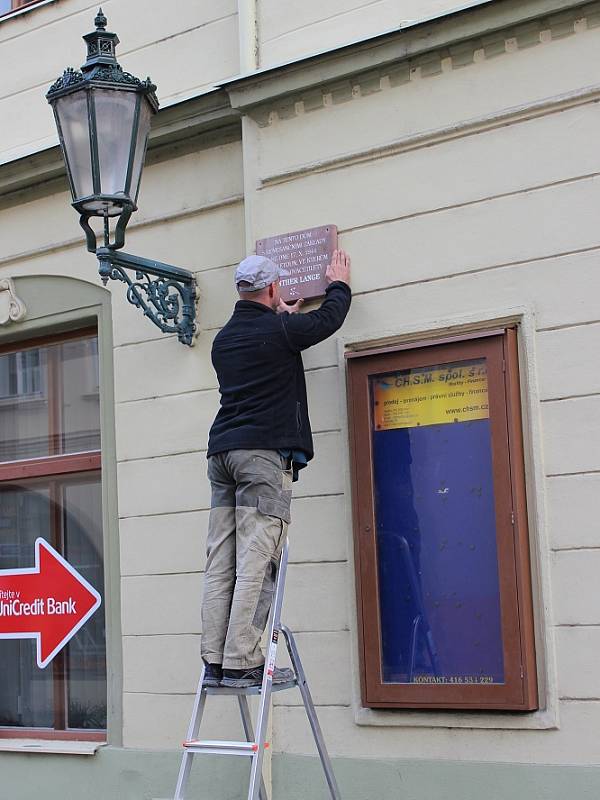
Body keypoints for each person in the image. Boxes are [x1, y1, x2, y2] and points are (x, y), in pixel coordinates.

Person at [200, 249, 352, 688]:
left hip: (221, 455)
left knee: (220, 558)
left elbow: (266, 335)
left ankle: (214, 658)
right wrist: (338, 283)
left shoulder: (223, 340)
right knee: (257, 557)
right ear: (271, 289)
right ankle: (243, 658)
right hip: (261, 458)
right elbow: (327, 321)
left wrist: (279, 314)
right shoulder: (282, 330)